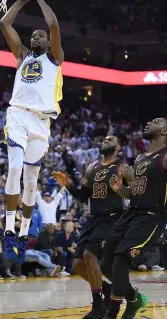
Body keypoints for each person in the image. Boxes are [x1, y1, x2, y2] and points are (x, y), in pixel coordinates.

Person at [0, 0, 64, 264]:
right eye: (33, 35)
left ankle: (23, 233)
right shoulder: (23, 56)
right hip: (18, 115)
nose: (36, 37)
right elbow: (5, 23)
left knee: (31, 183)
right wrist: (23, 0)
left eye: (41, 36)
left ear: (48, 43)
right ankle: (9, 230)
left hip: (42, 124)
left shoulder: (55, 58)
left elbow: (54, 25)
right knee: (14, 168)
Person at [53, 135, 134, 319]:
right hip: (95, 220)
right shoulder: (92, 168)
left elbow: (137, 192)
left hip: (114, 219)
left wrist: (121, 191)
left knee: (90, 256)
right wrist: (68, 185)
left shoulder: (123, 168)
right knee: (78, 264)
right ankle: (107, 290)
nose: (106, 141)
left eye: (111, 139)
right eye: (104, 139)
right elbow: (83, 196)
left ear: (118, 147)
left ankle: (98, 307)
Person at [101, 118, 167, 319]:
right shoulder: (140, 158)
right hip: (131, 214)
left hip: (151, 217)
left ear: (165, 131)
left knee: (121, 261)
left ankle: (111, 314)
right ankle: (134, 299)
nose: (149, 123)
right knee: (106, 264)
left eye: (155, 122)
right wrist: (120, 189)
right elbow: (134, 192)